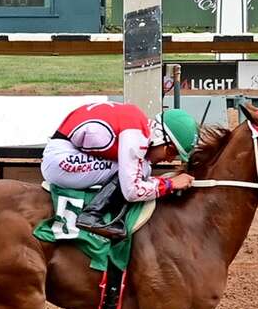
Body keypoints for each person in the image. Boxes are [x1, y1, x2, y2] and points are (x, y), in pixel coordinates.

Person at [40, 102, 199, 240]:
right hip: (59, 161)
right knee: (141, 169)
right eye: (171, 152)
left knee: (142, 168)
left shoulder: (138, 125)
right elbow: (132, 190)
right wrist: (170, 184)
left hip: (67, 152)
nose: (170, 160)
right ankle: (91, 216)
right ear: (160, 137)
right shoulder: (137, 134)